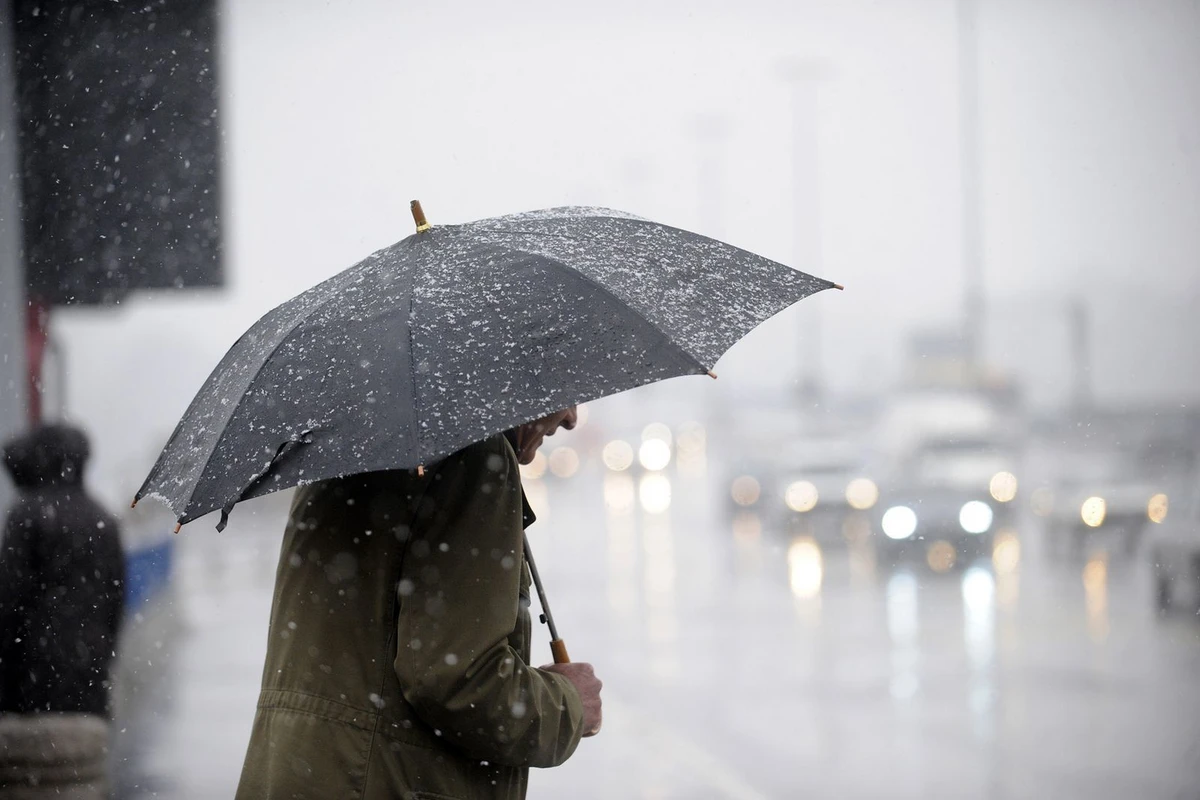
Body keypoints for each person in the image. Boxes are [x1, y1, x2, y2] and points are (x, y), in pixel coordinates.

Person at [237, 407, 603, 799]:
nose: (571, 419)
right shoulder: (472, 454)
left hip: (295, 774)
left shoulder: (348, 447)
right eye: (566, 397)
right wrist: (568, 704)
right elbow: (457, 681)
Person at [0, 424, 126, 798]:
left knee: (30, 785)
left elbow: (8, 605)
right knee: (82, 783)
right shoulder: (103, 517)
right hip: (88, 690)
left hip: (30, 693)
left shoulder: (27, 513)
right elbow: (115, 606)